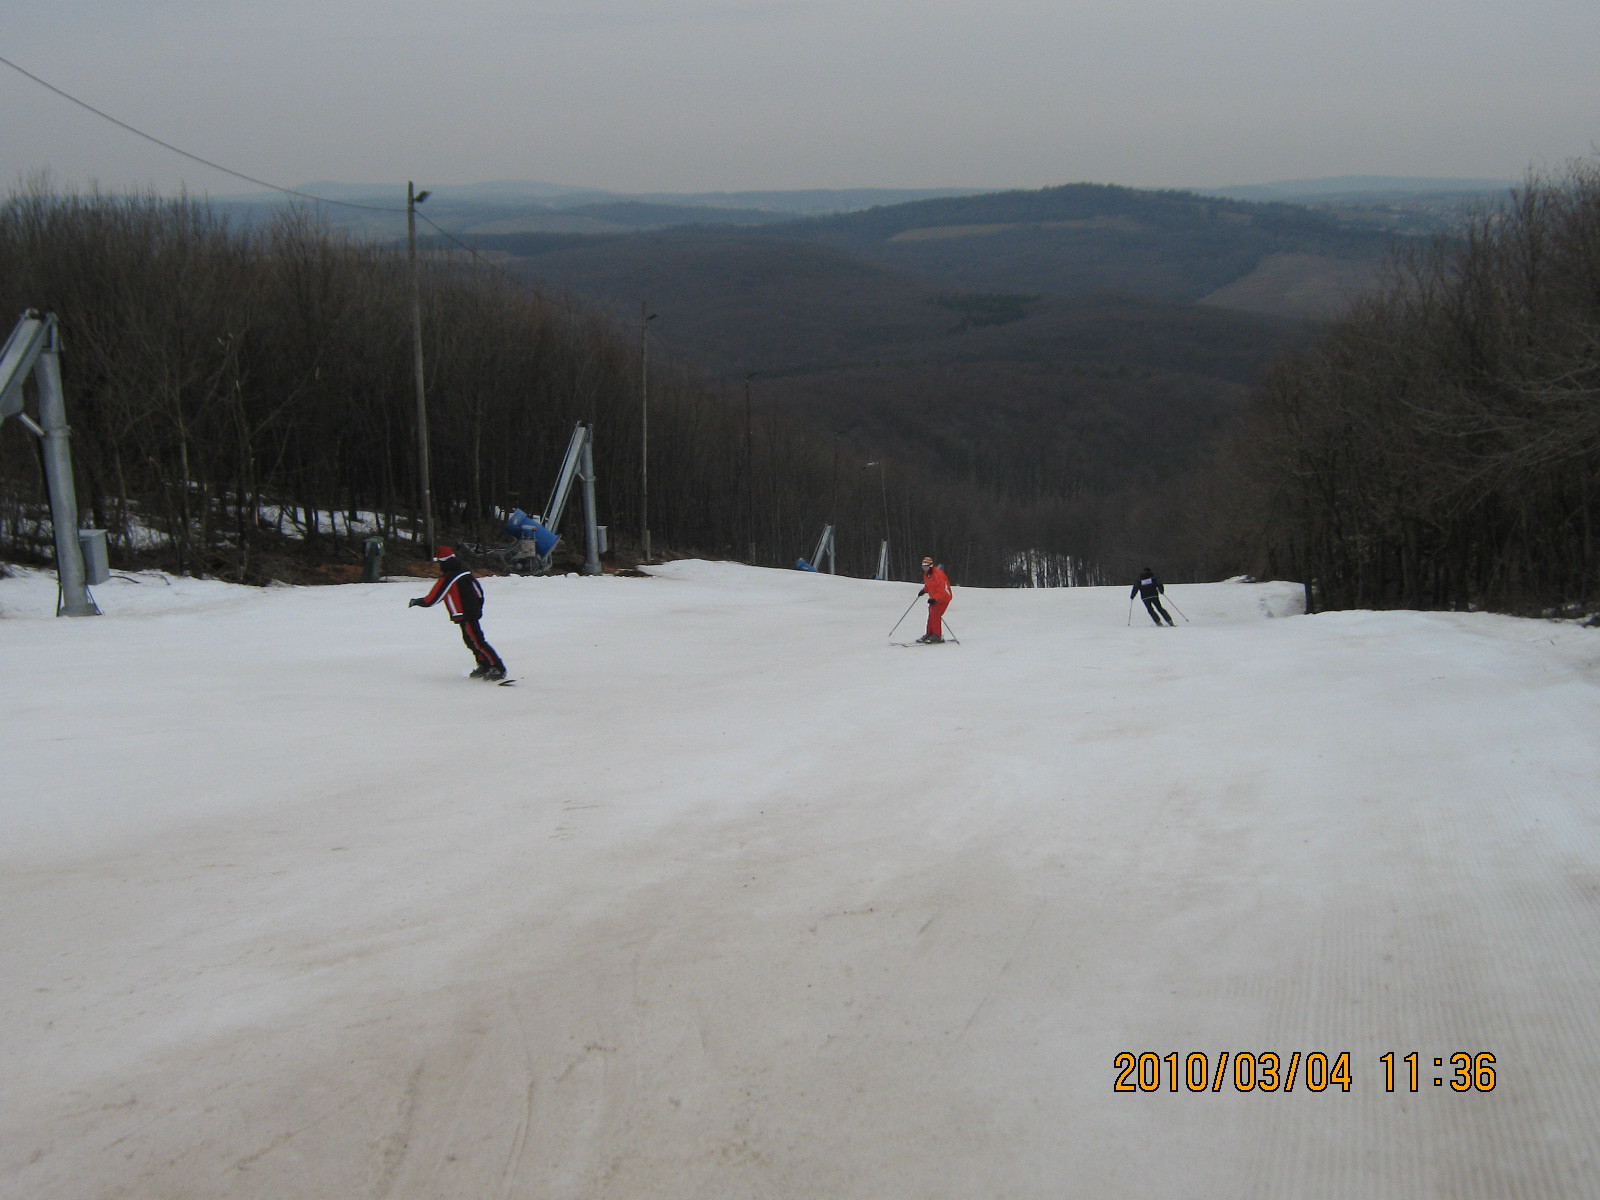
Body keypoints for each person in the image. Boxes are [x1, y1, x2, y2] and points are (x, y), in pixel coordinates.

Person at [409, 546, 507, 679]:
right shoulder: (464, 571)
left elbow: (433, 598)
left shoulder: (449, 577)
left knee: (477, 641)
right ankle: (484, 665)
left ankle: (498, 668)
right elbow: (479, 591)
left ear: (442, 562)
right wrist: (478, 606)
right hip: (470, 612)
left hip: (465, 614)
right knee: (471, 640)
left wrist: (417, 601)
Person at [917, 555, 953, 643]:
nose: (924, 568)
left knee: (935, 615)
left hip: (944, 598)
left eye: (926, 566)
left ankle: (937, 635)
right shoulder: (927, 574)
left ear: (930, 566)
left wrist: (935, 598)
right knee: (931, 614)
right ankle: (929, 633)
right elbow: (930, 585)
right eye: (923, 566)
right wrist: (924, 590)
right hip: (936, 598)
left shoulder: (938, 575)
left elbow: (941, 589)